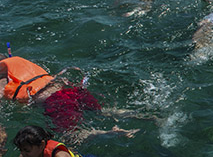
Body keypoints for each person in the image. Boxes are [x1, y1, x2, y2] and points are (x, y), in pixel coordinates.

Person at [0, 55, 140, 139]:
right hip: (71, 90)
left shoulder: (3, 82)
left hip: (56, 102)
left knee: (71, 136)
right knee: (102, 111)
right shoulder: (22, 65)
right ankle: (137, 115)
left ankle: (111, 133)